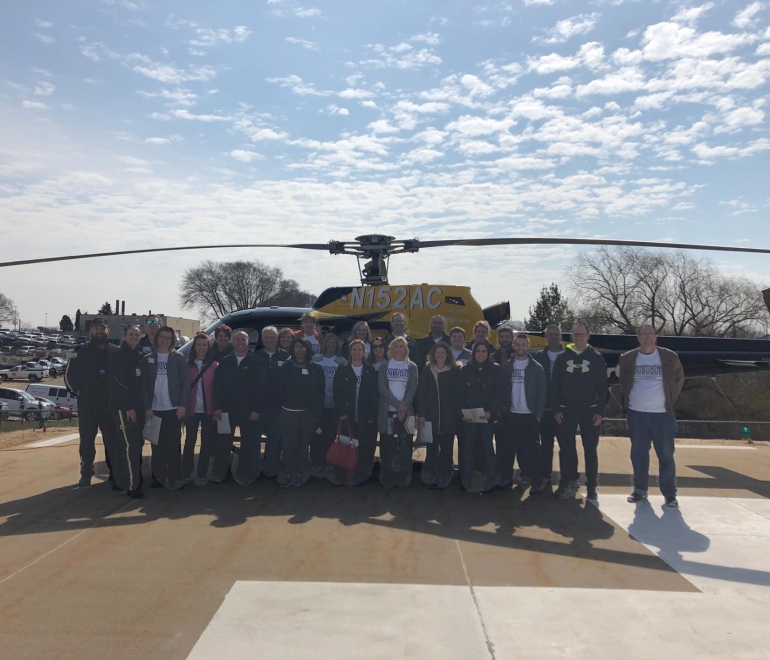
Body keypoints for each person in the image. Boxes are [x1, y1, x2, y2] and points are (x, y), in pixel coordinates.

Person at [619, 324, 684, 508]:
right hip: (636, 414)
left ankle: (670, 494)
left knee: (666, 455)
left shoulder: (669, 357)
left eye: (651, 334)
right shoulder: (627, 358)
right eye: (644, 334)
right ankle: (640, 490)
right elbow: (623, 381)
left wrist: (672, 399)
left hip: (663, 415)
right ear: (638, 338)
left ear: (656, 337)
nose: (648, 338)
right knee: (638, 454)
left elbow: (679, 378)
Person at [551, 323, 608, 501]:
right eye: (576, 334)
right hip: (566, 410)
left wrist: (599, 411)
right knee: (566, 449)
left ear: (588, 336)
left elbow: (603, 387)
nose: (579, 337)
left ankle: (592, 487)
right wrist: (556, 408)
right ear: (571, 336)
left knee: (590, 450)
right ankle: (566, 482)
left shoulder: (596, 358)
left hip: (589, 411)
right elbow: (555, 385)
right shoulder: (562, 357)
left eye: (582, 334)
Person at [65, 317, 119, 487]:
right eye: (96, 329)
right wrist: (77, 391)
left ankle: (115, 473)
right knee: (87, 441)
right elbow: (69, 375)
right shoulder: (80, 351)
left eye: (102, 329)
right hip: (88, 405)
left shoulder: (116, 352)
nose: (99, 332)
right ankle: (86, 473)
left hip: (109, 405)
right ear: (92, 331)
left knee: (112, 441)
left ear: (108, 331)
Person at [141, 325, 190, 490]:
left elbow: (186, 383)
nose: (165, 340)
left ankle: (175, 477)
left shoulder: (178, 358)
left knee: (174, 445)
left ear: (172, 340)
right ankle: (159, 477)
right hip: (154, 410)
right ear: (157, 338)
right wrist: (147, 407)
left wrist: (182, 405)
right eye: (162, 337)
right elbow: (143, 385)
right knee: (156, 445)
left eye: (168, 338)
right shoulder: (148, 358)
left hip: (173, 409)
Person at [497, 334, 547, 492]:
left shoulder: (536, 367)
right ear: (513, 345)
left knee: (530, 450)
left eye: (523, 344)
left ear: (528, 346)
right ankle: (506, 477)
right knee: (507, 449)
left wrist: (538, 414)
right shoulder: (506, 367)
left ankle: (531, 478)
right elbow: (501, 390)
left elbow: (542, 392)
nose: (520, 347)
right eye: (517, 344)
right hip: (511, 414)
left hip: (529, 415)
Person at [211, 330, 260, 485]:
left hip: (248, 411)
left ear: (248, 342)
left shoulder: (255, 361)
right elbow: (217, 386)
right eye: (237, 339)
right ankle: (221, 473)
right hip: (226, 410)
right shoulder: (225, 361)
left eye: (243, 339)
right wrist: (217, 407)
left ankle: (244, 473)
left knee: (247, 443)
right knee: (223, 442)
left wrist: (256, 409)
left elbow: (261, 388)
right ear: (233, 341)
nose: (240, 342)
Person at [277, 337, 324, 487]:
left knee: (303, 445)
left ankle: (299, 473)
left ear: (308, 350)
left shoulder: (316, 368)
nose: (300, 350)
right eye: (297, 347)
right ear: (293, 349)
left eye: (303, 347)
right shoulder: (286, 367)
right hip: (288, 413)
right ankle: (288, 473)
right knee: (289, 446)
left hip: (307, 414)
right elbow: (278, 390)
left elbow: (320, 393)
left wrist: (317, 414)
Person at [332, 339, 379, 485]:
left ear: (364, 352)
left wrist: (371, 415)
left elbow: (374, 395)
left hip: (365, 417)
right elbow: (337, 392)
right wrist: (341, 412)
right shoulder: (343, 369)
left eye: (360, 349)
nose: (357, 352)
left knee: (365, 447)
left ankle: (361, 476)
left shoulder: (370, 370)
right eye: (354, 349)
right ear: (350, 351)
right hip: (347, 415)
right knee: (345, 444)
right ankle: (341, 476)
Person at [416, 341, 461, 489]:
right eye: (437, 353)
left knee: (447, 448)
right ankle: (431, 472)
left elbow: (458, 394)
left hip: (449, 417)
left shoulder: (454, 371)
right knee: (432, 447)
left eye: (443, 352)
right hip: (431, 417)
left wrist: (456, 413)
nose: (440, 355)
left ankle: (445, 474)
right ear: (433, 355)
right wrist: (422, 414)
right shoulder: (427, 370)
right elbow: (421, 394)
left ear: (447, 354)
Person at [458, 341, 502, 493]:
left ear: (488, 353)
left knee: (488, 450)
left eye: (484, 351)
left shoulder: (496, 369)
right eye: (478, 351)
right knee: (467, 450)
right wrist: (462, 413)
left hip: (487, 417)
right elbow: (460, 393)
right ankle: (465, 481)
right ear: (474, 353)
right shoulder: (465, 370)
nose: (481, 354)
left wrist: (491, 412)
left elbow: (499, 393)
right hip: (469, 418)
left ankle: (490, 482)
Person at [108, 325, 145, 498]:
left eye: (137, 335)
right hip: (124, 408)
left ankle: (123, 480)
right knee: (130, 446)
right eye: (131, 334)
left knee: (134, 444)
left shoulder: (139, 355)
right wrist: (128, 406)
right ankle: (132, 485)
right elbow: (119, 383)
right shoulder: (118, 355)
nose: (134, 337)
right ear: (125, 336)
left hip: (138, 406)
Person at [377, 336, 419, 488]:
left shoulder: (412, 366)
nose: (398, 349)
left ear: (406, 349)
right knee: (387, 445)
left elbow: (413, 387)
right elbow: (381, 387)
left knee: (405, 445)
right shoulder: (385, 365)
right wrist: (397, 404)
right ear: (391, 349)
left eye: (401, 346)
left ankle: (403, 476)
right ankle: (388, 475)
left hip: (407, 414)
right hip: (387, 412)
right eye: (395, 346)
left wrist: (404, 406)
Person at [533, 324, 565, 491]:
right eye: (550, 334)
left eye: (556, 334)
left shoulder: (569, 356)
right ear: (545, 337)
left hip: (564, 410)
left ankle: (569, 477)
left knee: (566, 446)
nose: (553, 337)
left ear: (560, 336)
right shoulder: (539, 356)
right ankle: (545, 476)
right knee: (545, 446)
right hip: (545, 410)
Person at [253, 325, 289, 478]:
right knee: (254, 440)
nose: (269, 340)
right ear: (262, 339)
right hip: (258, 408)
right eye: (266, 337)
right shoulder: (255, 357)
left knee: (274, 440)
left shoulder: (285, 357)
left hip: (278, 408)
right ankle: (254, 470)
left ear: (276, 338)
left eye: (271, 337)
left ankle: (269, 469)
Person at [184, 332, 218, 486]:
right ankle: (186, 472)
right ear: (194, 347)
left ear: (208, 347)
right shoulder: (187, 365)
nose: (202, 348)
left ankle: (202, 473)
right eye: (199, 345)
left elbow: (218, 388)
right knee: (189, 442)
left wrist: (216, 408)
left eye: (205, 345)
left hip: (208, 410)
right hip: (191, 410)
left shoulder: (214, 365)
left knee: (206, 443)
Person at [311, 333, 347, 477]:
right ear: (324, 344)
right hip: (318, 405)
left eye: (334, 342)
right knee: (317, 434)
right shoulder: (315, 360)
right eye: (328, 342)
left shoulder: (342, 361)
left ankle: (329, 462)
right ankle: (317, 462)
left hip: (334, 405)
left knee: (331, 435)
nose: (331, 345)